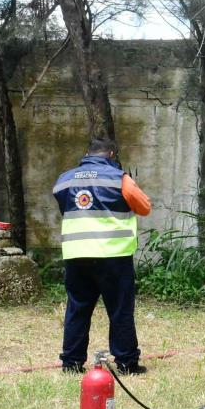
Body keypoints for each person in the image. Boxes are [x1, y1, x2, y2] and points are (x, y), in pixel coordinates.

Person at [54, 138, 152, 375]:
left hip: (76, 255)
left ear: (87, 154)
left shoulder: (65, 179)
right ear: (111, 154)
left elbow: (63, 203)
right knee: (120, 310)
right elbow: (144, 207)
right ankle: (127, 363)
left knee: (77, 309)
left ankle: (72, 363)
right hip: (113, 256)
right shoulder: (120, 179)